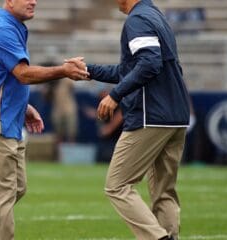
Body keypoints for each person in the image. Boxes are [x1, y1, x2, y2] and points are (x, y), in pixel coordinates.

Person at [0, 0, 88, 239]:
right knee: (3, 193)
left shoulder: (11, 26)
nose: (34, 1)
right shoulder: (2, 30)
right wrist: (63, 70)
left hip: (5, 121)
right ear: (10, 1)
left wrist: (23, 106)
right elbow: (22, 74)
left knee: (15, 189)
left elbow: (1, 78)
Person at [68, 0, 190, 239]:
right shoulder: (154, 15)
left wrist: (114, 96)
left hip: (151, 116)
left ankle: (158, 237)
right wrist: (88, 70)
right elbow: (131, 69)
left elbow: (149, 63)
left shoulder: (138, 19)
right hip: (174, 116)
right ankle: (168, 235)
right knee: (163, 191)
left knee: (117, 186)